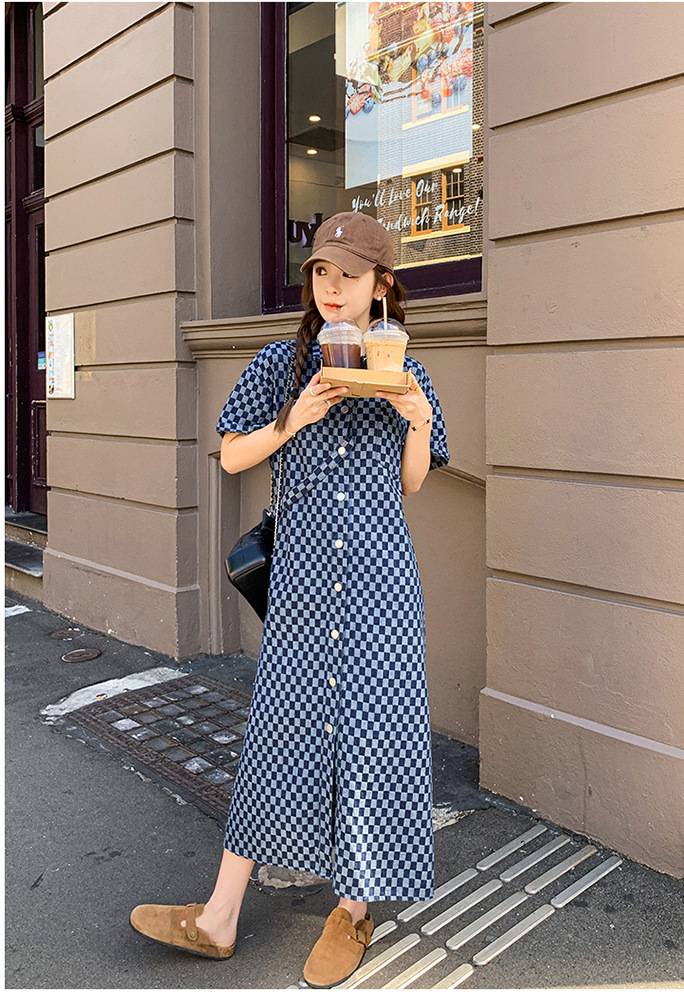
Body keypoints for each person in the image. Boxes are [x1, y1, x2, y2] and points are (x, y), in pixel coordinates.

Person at [129, 211, 450, 988]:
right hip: (304, 583)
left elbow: (412, 483)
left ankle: (353, 909)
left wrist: (415, 421)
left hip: (379, 585)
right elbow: (231, 454)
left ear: (382, 283)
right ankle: (219, 916)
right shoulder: (282, 362)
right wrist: (293, 417)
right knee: (280, 731)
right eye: (320, 272)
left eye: (349, 274)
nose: (331, 287)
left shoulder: (404, 369)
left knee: (375, 737)